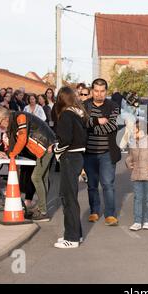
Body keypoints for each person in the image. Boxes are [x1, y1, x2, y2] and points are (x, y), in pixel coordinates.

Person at [0, 106, 56, 222]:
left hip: (46, 146)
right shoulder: (13, 121)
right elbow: (13, 142)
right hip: (44, 146)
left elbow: (22, 139)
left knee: (36, 177)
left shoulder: (20, 117)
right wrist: (6, 153)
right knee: (43, 178)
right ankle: (42, 209)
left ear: (5, 118)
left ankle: (43, 211)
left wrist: (11, 154)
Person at [53, 87, 88, 249]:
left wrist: (55, 149)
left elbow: (65, 140)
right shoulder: (78, 113)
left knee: (68, 198)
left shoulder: (66, 114)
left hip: (70, 157)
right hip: (77, 156)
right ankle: (76, 234)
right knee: (71, 197)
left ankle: (71, 237)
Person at [83, 78, 121, 226]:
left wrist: (91, 124)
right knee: (92, 185)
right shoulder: (84, 106)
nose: (99, 94)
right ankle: (94, 211)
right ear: (92, 91)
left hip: (107, 153)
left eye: (102, 91)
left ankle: (110, 215)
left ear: (106, 91)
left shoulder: (113, 106)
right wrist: (96, 122)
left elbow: (111, 126)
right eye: (96, 91)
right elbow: (82, 124)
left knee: (107, 184)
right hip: (89, 153)